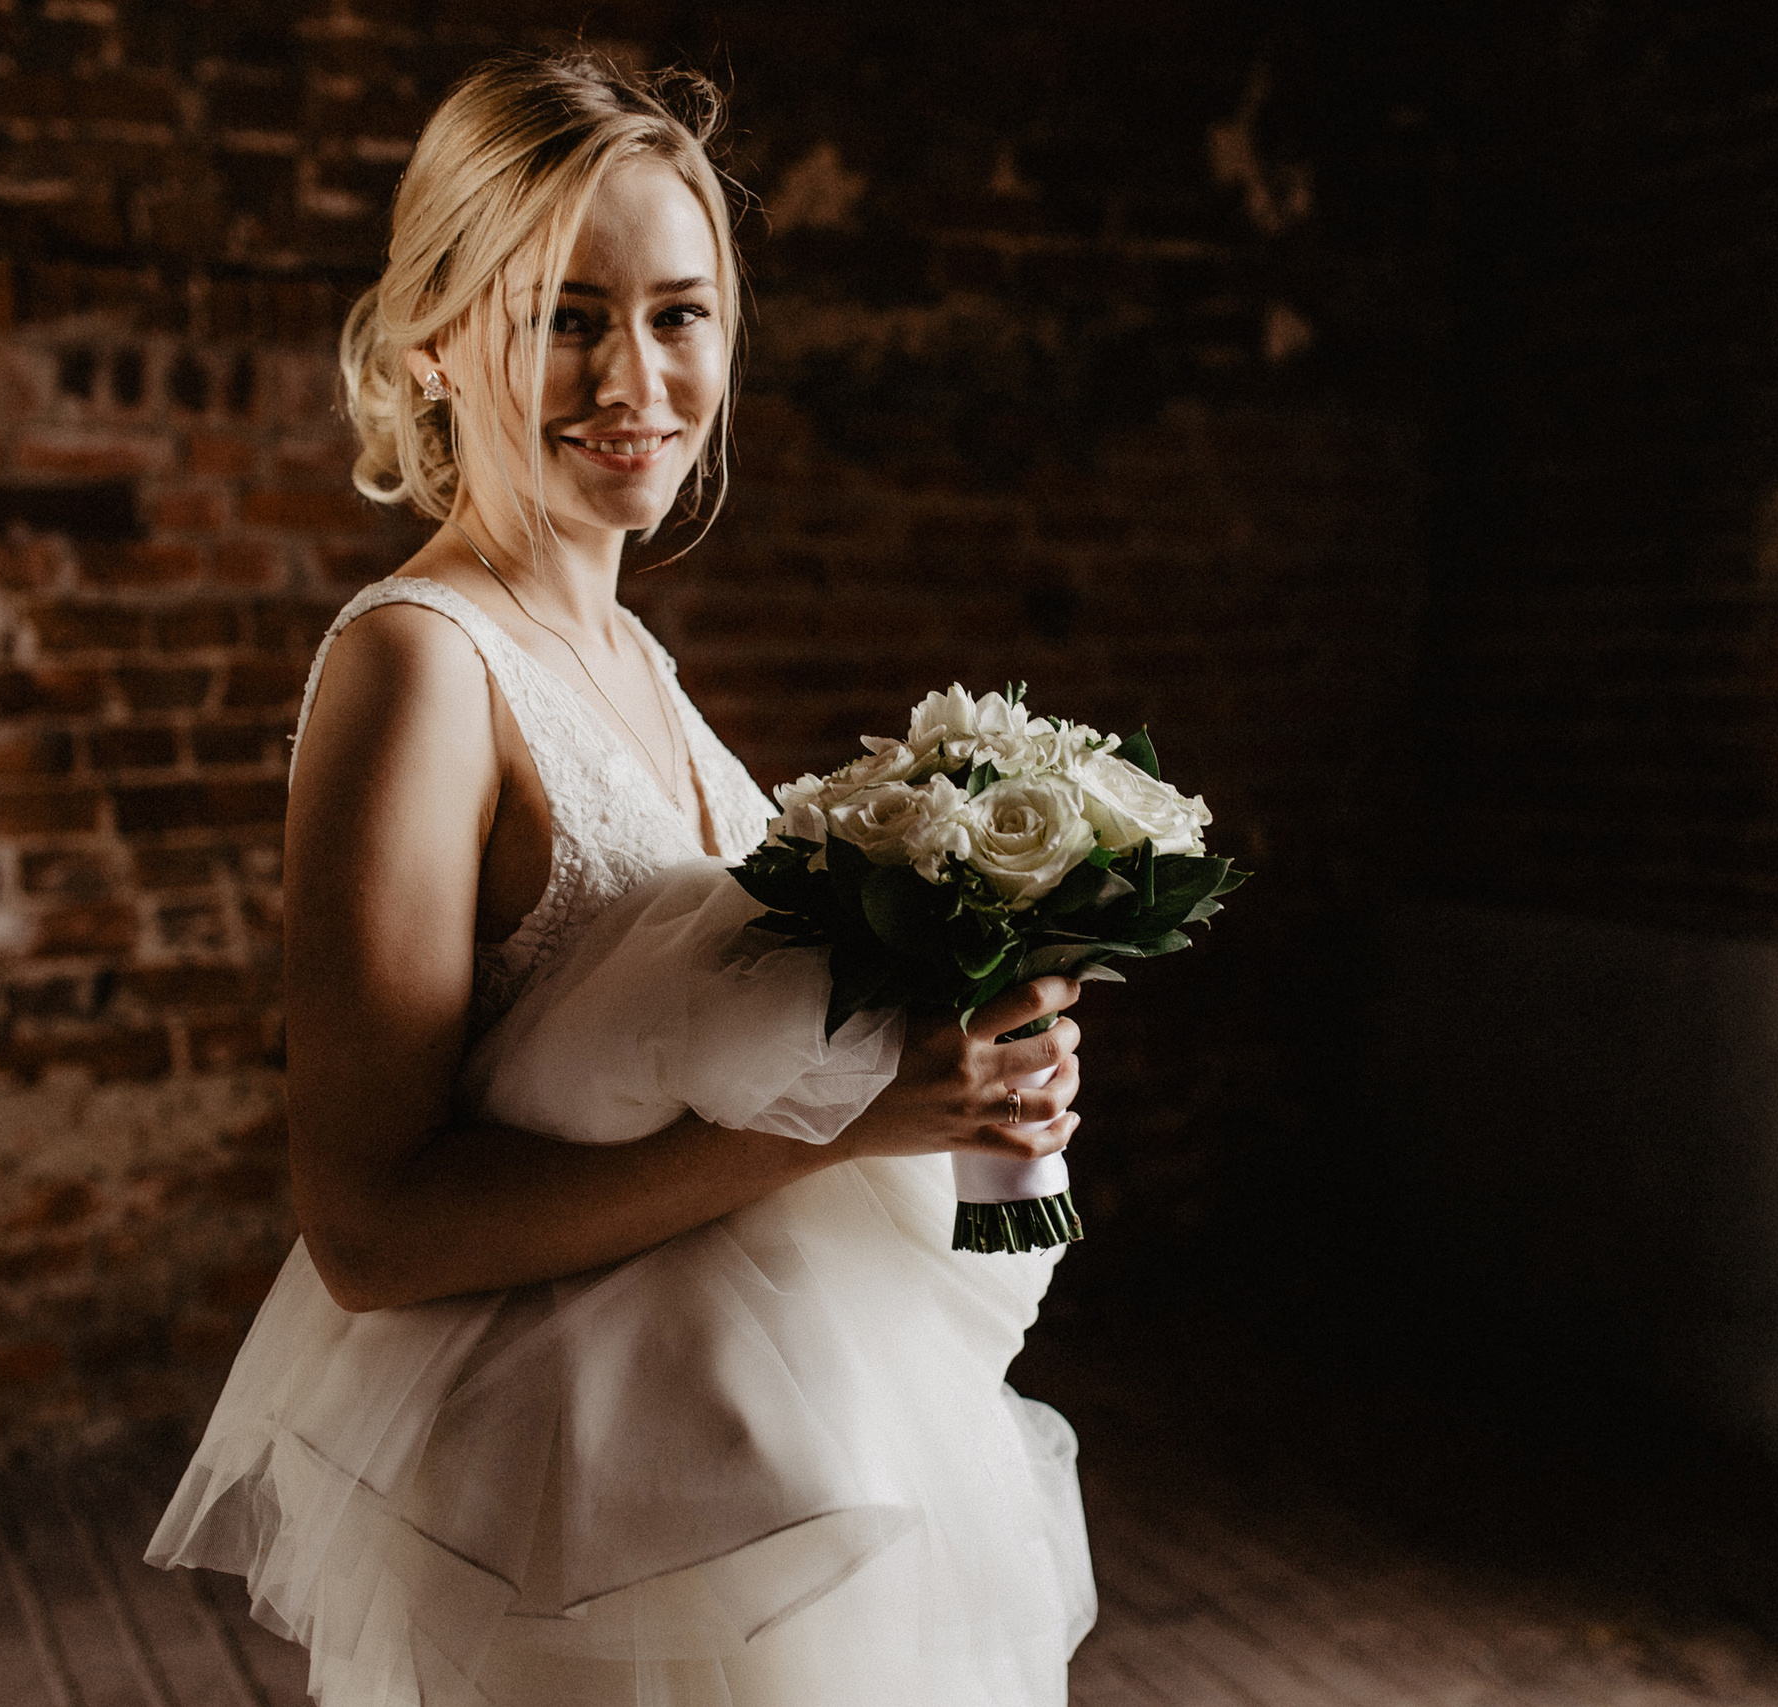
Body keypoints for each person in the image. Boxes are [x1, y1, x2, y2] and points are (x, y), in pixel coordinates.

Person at [148, 53, 1097, 1706]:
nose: (637, 378)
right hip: (564, 1524)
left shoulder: (635, 658)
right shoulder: (418, 668)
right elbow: (368, 1229)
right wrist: (838, 1125)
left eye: (681, 315)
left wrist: (947, 1058)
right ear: (436, 339)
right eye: (566, 317)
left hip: (760, 1457)